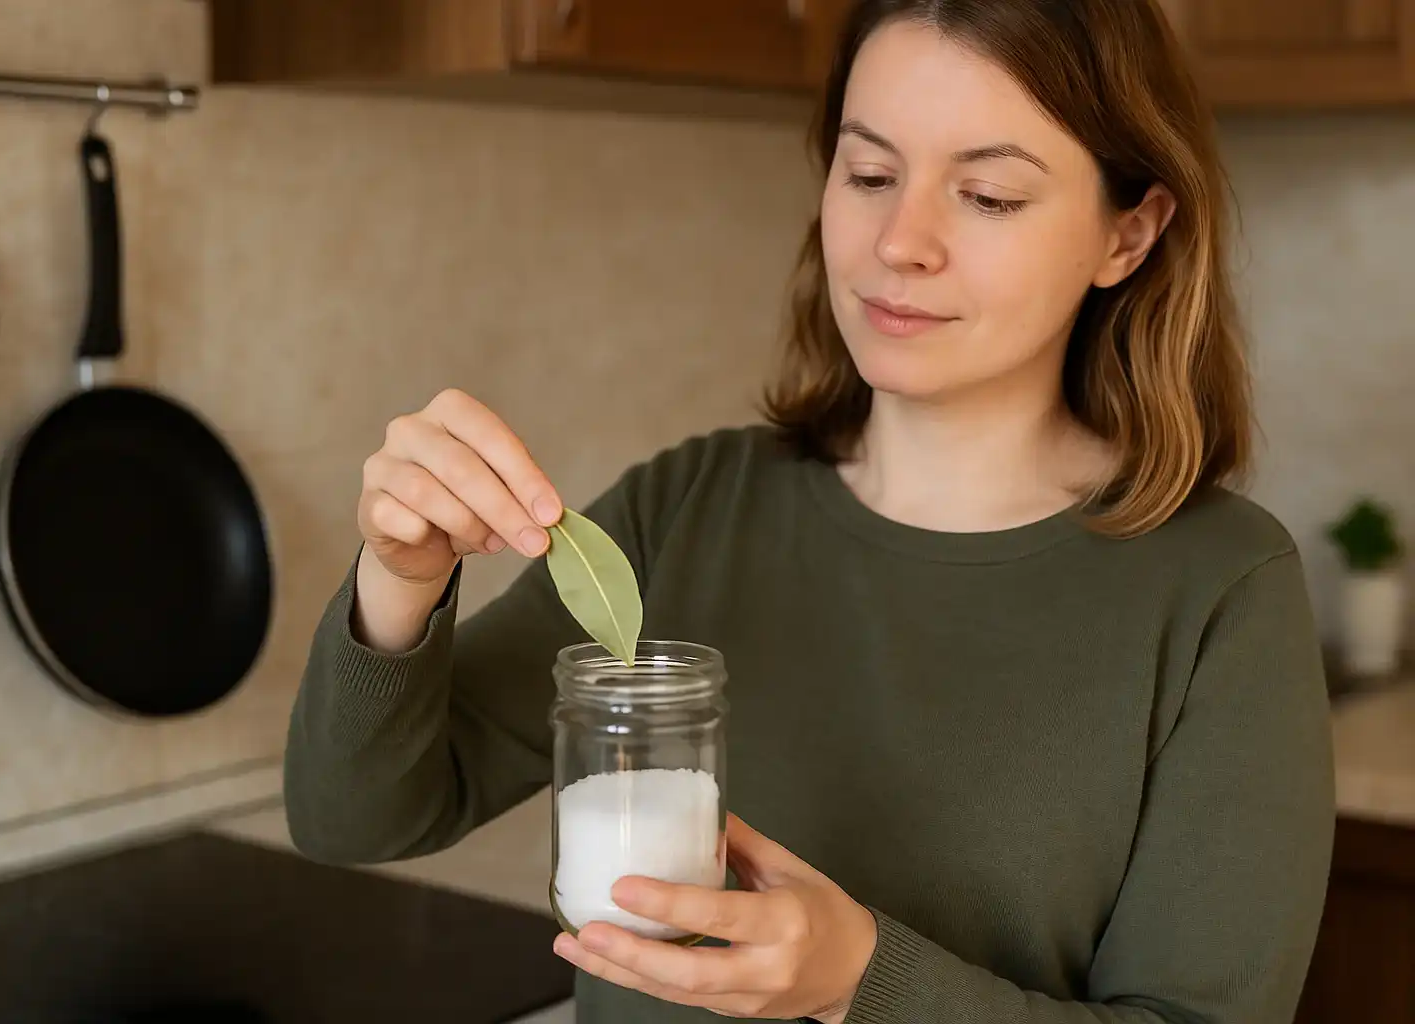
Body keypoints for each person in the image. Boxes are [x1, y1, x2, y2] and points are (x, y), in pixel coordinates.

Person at [282, 0, 1336, 1021]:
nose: (899, 241)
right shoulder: (689, 507)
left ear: (1130, 233)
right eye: (869, 171)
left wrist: (859, 982)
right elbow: (354, 818)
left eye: (989, 198)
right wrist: (400, 580)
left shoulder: (1219, 591)